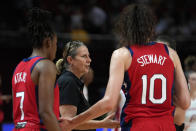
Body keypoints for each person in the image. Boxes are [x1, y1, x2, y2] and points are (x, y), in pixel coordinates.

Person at [60, 4, 191, 131]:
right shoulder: (171, 53)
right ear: (151, 28)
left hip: (137, 126)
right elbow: (185, 102)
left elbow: (109, 102)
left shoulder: (122, 54)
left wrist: (74, 121)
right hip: (166, 126)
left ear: (125, 29)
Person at [12, 8, 61, 131]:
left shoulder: (18, 68)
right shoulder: (46, 65)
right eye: (56, 44)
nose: (56, 49)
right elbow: (45, 113)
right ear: (48, 42)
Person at [56, 41, 120, 131]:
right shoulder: (68, 82)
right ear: (70, 60)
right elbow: (68, 124)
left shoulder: (73, 82)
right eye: (84, 56)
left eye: (88, 56)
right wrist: (101, 124)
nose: (89, 60)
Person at [155, 35, 186, 131]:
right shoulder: (141, 75)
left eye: (163, 50)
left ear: (173, 54)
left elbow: (179, 119)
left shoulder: (178, 78)